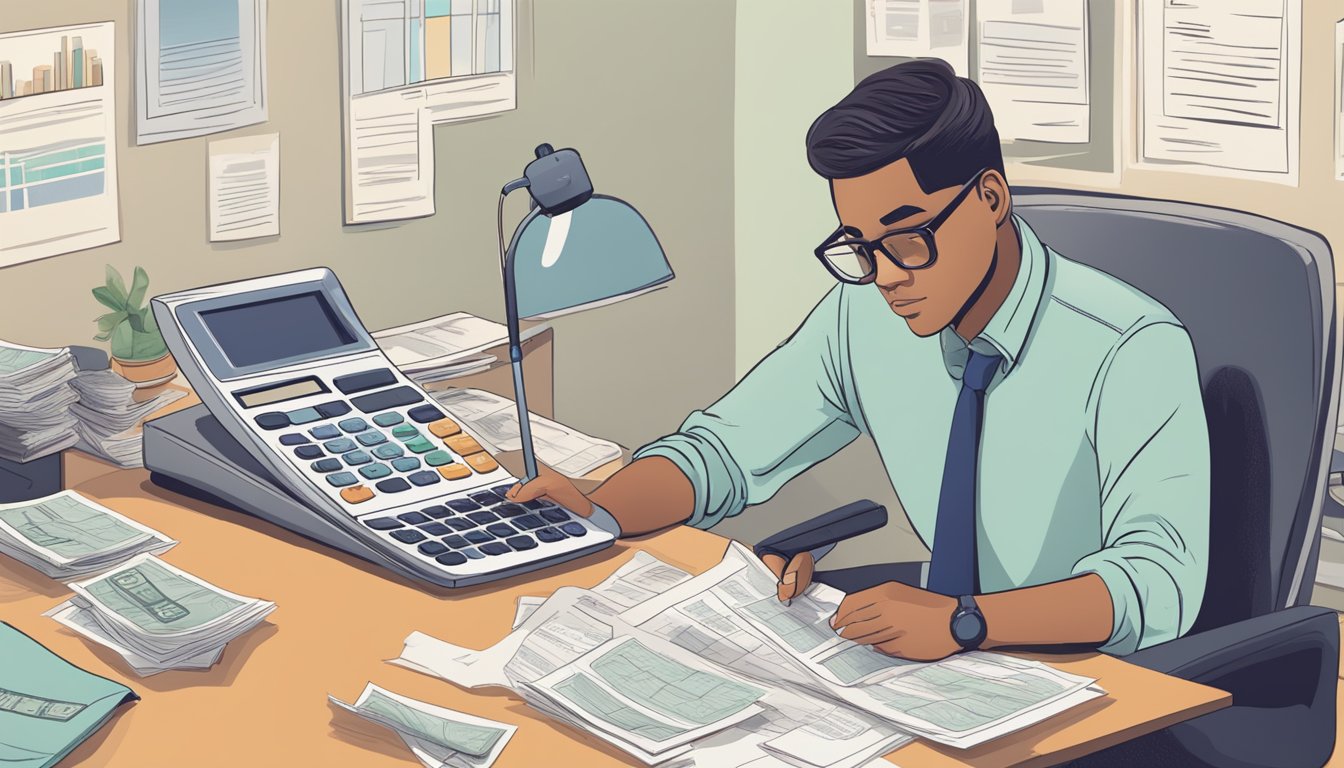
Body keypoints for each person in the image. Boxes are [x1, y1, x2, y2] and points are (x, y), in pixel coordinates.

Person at [507, 59, 1209, 662]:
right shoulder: (865, 314)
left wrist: (966, 622)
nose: (885, 276)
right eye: (859, 247)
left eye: (907, 239)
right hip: (944, 669)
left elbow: (1156, 585)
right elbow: (723, 451)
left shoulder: (1131, 347)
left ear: (990, 199)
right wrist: (602, 508)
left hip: (1097, 687)